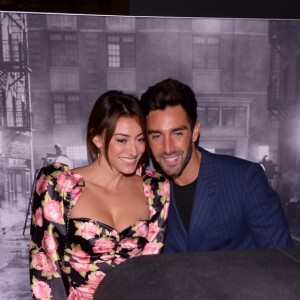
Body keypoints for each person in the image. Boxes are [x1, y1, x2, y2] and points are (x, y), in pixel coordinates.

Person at [29, 91, 170, 299]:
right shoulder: (58, 186)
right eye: (122, 140)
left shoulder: (156, 189)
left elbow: (149, 267)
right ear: (96, 138)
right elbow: (47, 270)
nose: (133, 150)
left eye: (140, 139)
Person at [140, 78, 293, 253]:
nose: (167, 148)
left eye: (177, 133)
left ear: (195, 131)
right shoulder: (149, 189)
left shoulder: (244, 179)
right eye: (156, 136)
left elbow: (280, 258)